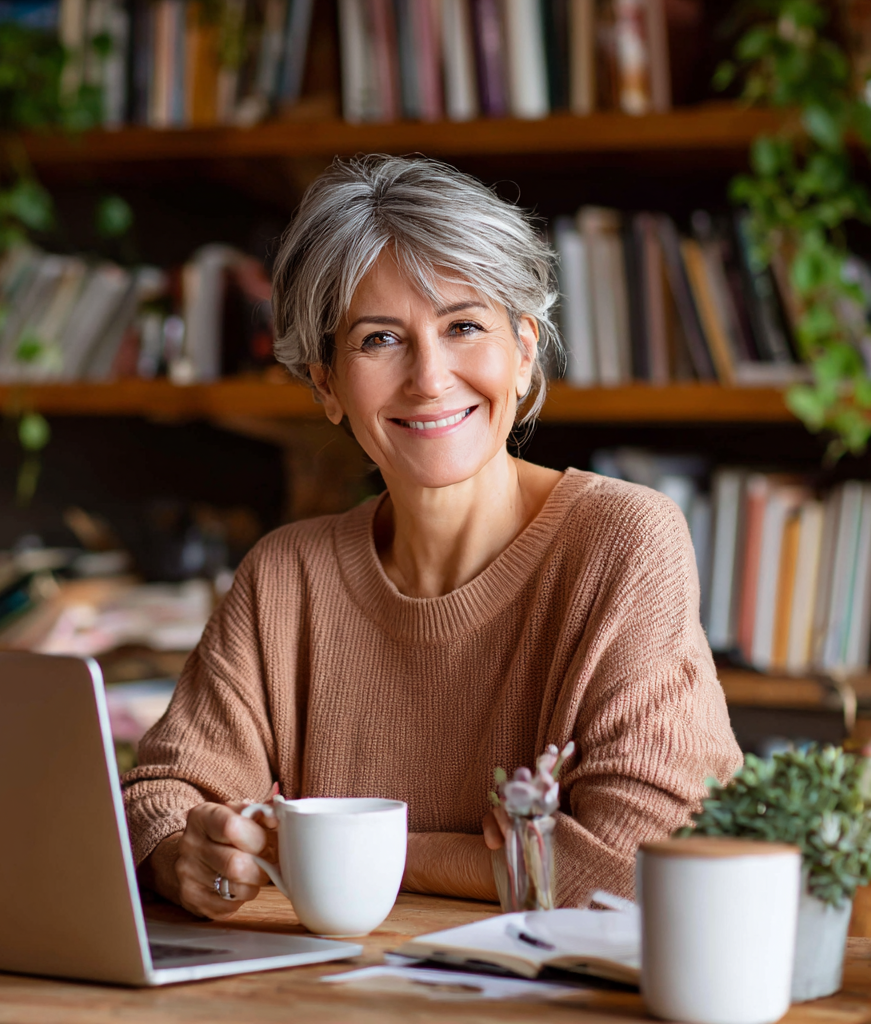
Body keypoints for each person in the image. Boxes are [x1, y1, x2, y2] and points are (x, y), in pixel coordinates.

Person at [122, 155, 742, 920]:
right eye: (381, 339)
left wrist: (324, 848)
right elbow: (163, 795)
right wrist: (185, 851)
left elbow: (634, 862)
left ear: (522, 351)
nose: (429, 377)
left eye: (464, 326)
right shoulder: (286, 575)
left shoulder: (623, 542)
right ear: (326, 385)